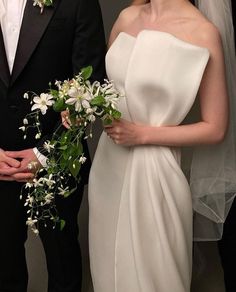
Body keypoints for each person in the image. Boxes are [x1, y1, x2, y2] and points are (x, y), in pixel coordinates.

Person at [88, 0, 230, 291]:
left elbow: (215, 129)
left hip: (156, 171)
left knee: (157, 276)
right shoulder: (126, 17)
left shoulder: (203, 32)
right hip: (108, 166)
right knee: (107, 272)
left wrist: (142, 135)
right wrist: (82, 109)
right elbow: (110, 93)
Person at [0, 0, 106, 291]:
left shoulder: (78, 4)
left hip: (58, 159)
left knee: (63, 266)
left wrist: (45, 153)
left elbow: (92, 88)